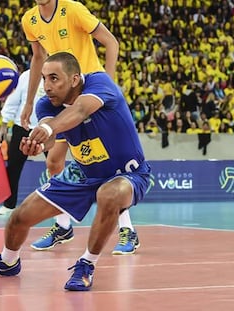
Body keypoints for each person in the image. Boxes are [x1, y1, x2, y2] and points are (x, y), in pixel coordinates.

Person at [0, 52, 152, 291]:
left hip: (127, 175)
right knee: (19, 217)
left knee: (109, 194)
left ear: (74, 79)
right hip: (82, 174)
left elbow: (80, 111)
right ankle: (7, 262)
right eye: (44, 78)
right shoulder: (45, 104)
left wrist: (46, 128)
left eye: (54, 78)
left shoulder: (99, 83)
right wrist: (38, 144)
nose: (47, 86)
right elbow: (52, 141)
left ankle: (86, 264)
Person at [20, 0, 139, 255]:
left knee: (106, 164)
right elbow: (38, 58)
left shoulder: (72, 10)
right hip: (61, 98)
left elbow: (111, 41)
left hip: (89, 95)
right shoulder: (30, 19)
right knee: (54, 161)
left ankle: (127, 229)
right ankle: (63, 226)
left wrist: (109, 86)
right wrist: (29, 101)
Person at [0, 69, 49, 215]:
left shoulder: (58, 73)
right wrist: (4, 123)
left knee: (55, 165)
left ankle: (59, 205)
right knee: (13, 167)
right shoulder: (26, 76)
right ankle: (9, 205)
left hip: (48, 127)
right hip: (22, 126)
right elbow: (13, 99)